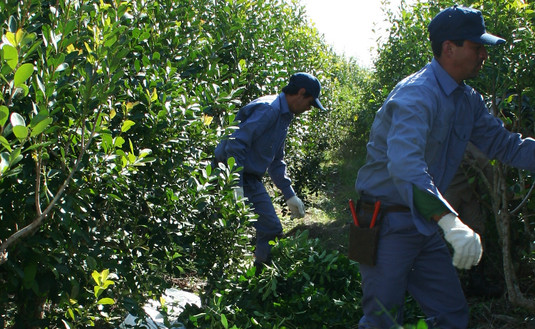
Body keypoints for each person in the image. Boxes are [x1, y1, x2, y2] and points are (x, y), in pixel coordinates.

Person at [354, 5, 535, 329]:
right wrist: (452, 224)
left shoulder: (468, 101)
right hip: (384, 222)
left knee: (451, 315)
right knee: (381, 319)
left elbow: (505, 145)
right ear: (449, 48)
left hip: (425, 222)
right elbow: (405, 166)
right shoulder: (416, 95)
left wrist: (444, 222)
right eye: (477, 46)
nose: (483, 55)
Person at [214, 72, 326, 270]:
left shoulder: (284, 116)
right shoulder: (269, 110)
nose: (309, 108)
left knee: (271, 229)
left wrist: (289, 194)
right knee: (226, 229)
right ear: (301, 93)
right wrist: (235, 184)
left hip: (250, 179)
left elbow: (276, 160)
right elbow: (236, 145)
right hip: (229, 173)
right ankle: (228, 279)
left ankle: (259, 278)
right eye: (310, 103)